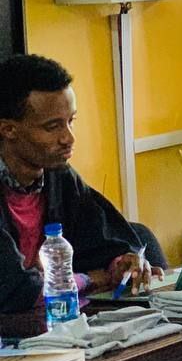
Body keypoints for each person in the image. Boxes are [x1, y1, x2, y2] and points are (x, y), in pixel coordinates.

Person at [0, 54, 161, 314]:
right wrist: (91, 279)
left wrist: (121, 264)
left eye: (70, 121)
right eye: (52, 127)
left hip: (52, 315)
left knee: (142, 238)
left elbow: (103, 239)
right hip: (13, 324)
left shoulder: (59, 176)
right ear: (9, 130)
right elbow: (16, 290)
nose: (69, 138)